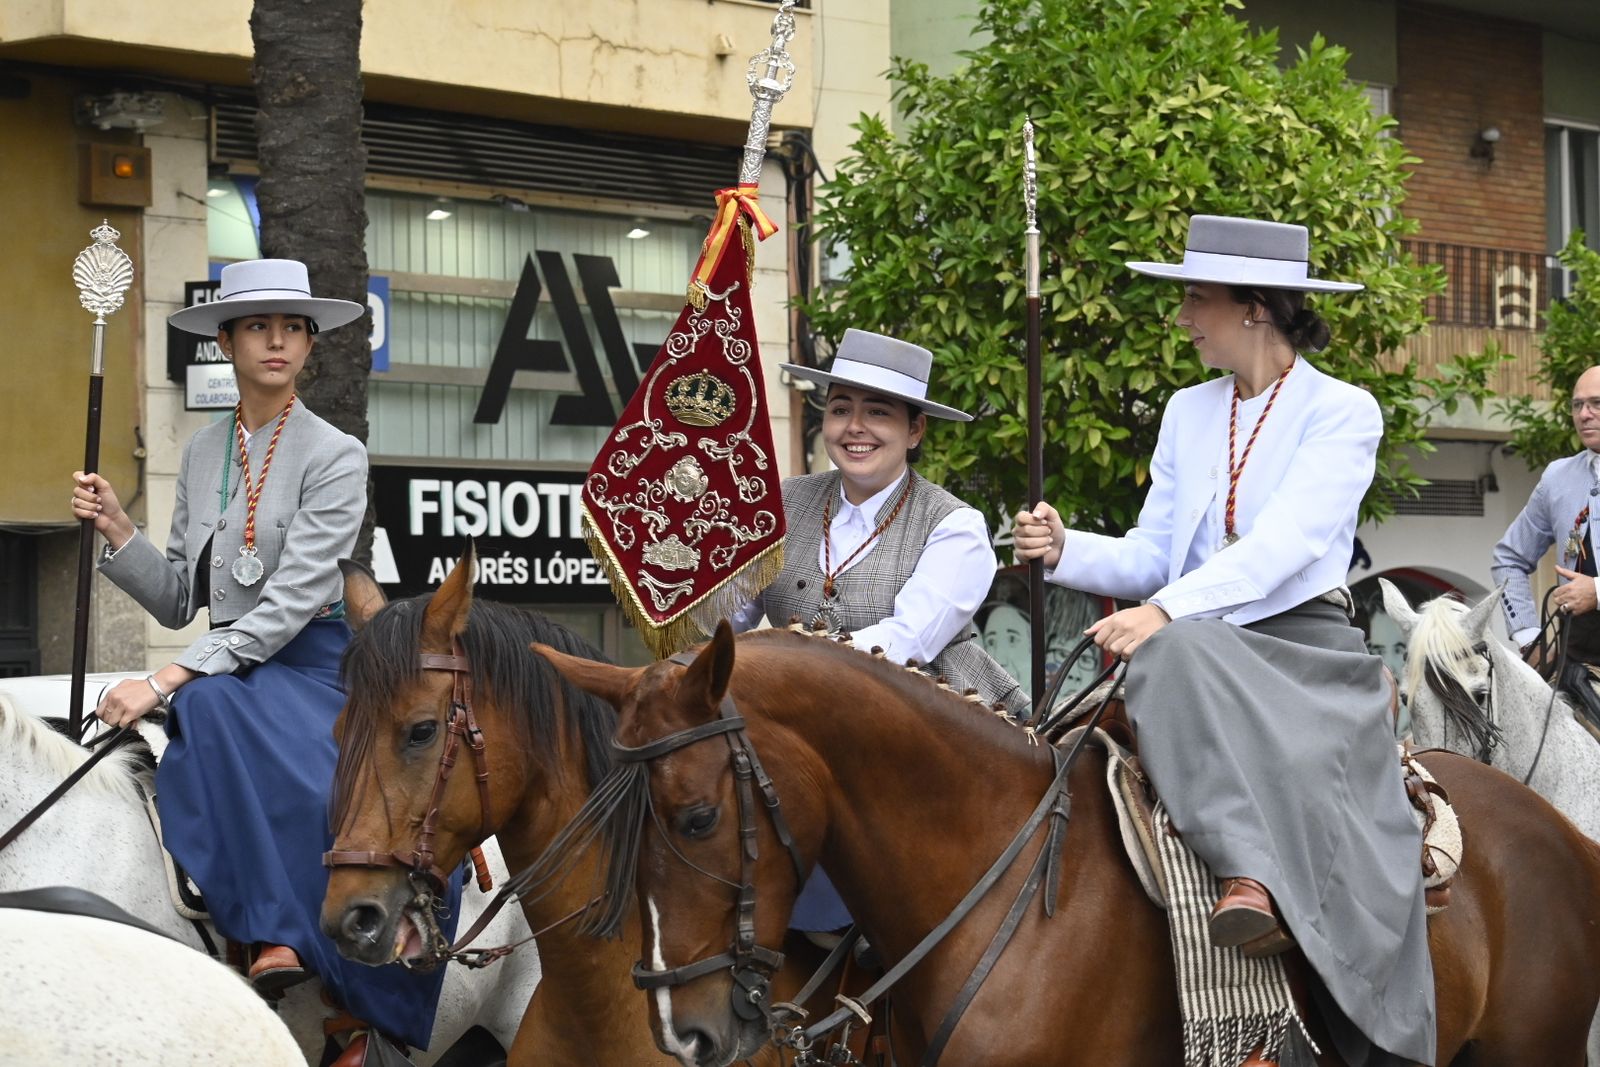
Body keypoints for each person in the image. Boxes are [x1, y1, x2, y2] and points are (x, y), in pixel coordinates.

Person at [1014, 215, 1432, 1067]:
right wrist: (1066, 549)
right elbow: (1155, 551)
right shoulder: (1187, 410)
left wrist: (1167, 614)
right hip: (1195, 648)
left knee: (1165, 655)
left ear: (1255, 307)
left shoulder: (1344, 410)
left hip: (1301, 650)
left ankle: (1253, 878)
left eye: (1195, 299)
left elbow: (1284, 547)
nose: (1182, 318)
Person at [70, 258, 455, 1065]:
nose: (276, 341)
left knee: (210, 709)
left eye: (292, 328)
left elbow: (291, 600)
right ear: (226, 341)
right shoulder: (202, 453)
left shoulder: (336, 454)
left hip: (315, 663)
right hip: (230, 669)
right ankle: (257, 935)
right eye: (257, 326)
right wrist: (119, 531)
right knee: (208, 706)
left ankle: (324, 971)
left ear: (309, 345)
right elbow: (181, 598)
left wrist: (167, 677)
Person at [732, 328, 1026, 929]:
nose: (855, 428)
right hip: (806, 741)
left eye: (879, 413)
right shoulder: (782, 503)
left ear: (915, 431)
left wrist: (775, 669)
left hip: (934, 746)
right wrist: (684, 582)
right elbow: (730, 619)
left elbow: (903, 644)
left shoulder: (956, 527)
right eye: (840, 409)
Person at [1491, 365, 1600, 722]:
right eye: (1577, 405)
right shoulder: (1557, 477)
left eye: (1597, 403)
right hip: (1574, 666)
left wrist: (1597, 591)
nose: (1584, 414)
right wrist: (1528, 636)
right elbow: (1508, 558)